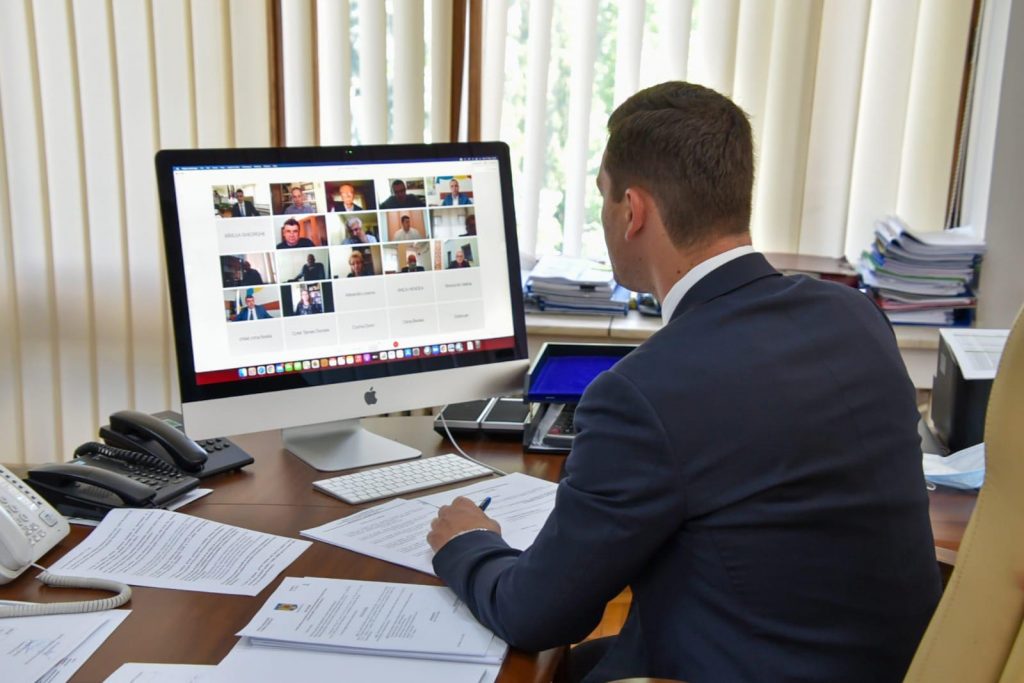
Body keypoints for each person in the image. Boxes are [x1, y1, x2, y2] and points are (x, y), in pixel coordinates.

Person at [426, 82, 941, 683]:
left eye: (603, 195)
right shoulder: (856, 317)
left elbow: (536, 614)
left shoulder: (642, 393)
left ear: (633, 211)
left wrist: (468, 542)